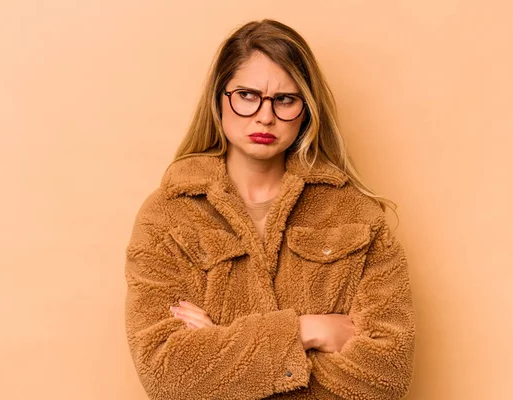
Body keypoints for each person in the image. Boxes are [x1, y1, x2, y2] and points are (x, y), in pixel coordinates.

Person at [124, 18, 415, 400]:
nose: (265, 116)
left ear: (307, 110)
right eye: (247, 95)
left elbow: (387, 375)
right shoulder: (167, 215)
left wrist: (220, 345)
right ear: (219, 98)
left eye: (285, 99)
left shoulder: (357, 216)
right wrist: (306, 330)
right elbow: (168, 376)